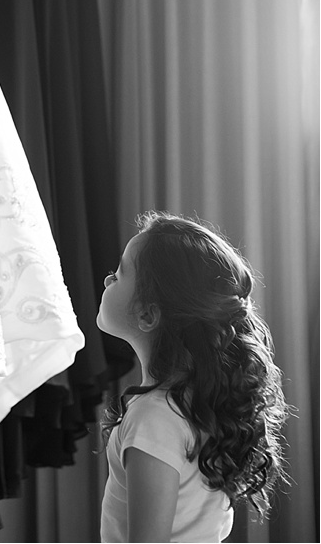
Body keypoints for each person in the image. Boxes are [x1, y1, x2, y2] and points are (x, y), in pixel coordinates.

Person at [97, 211, 289, 543]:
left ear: (147, 314)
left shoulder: (152, 417)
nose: (106, 280)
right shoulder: (201, 406)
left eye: (119, 272)